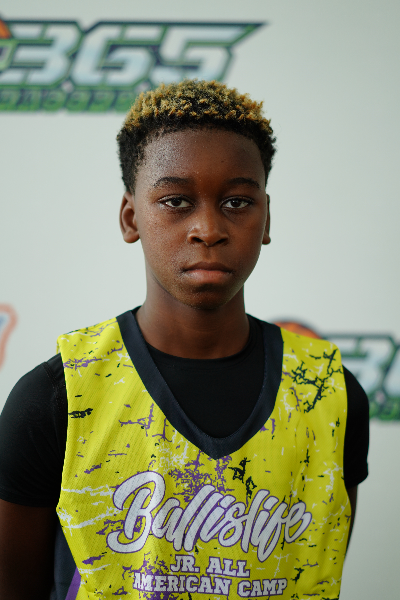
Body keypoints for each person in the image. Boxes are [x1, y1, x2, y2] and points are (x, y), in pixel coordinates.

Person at [0, 79, 369, 600]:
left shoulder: (328, 395)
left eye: (237, 201)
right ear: (131, 217)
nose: (208, 229)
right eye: (175, 201)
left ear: (266, 218)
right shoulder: (56, 397)